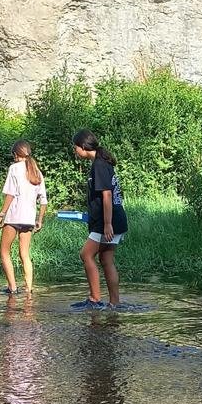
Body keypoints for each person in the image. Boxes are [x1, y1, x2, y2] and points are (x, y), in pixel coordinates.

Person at [72, 129, 128, 309]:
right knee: (106, 259)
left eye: (75, 147)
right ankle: (114, 303)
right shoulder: (101, 162)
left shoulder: (99, 165)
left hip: (109, 220)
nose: (75, 151)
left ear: (82, 146)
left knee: (86, 254)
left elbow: (107, 196)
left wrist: (107, 224)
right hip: (113, 219)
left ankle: (94, 299)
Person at [0, 140, 47, 295]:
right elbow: (43, 200)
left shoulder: (14, 168)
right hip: (29, 218)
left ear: (15, 154)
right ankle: (29, 288)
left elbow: (10, 194)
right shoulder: (37, 171)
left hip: (13, 217)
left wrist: (2, 214)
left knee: (4, 251)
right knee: (24, 254)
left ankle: (12, 288)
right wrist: (39, 220)